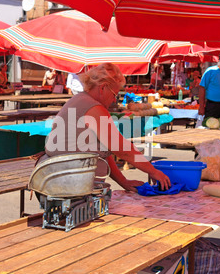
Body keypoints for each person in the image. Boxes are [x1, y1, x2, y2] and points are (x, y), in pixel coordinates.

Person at [44, 62, 171, 192]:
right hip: (68, 184)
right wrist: (153, 171)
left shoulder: (83, 100)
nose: (114, 100)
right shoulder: (93, 107)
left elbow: (104, 150)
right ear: (103, 88)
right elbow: (122, 149)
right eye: (114, 94)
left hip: (64, 179)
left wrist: (123, 181)